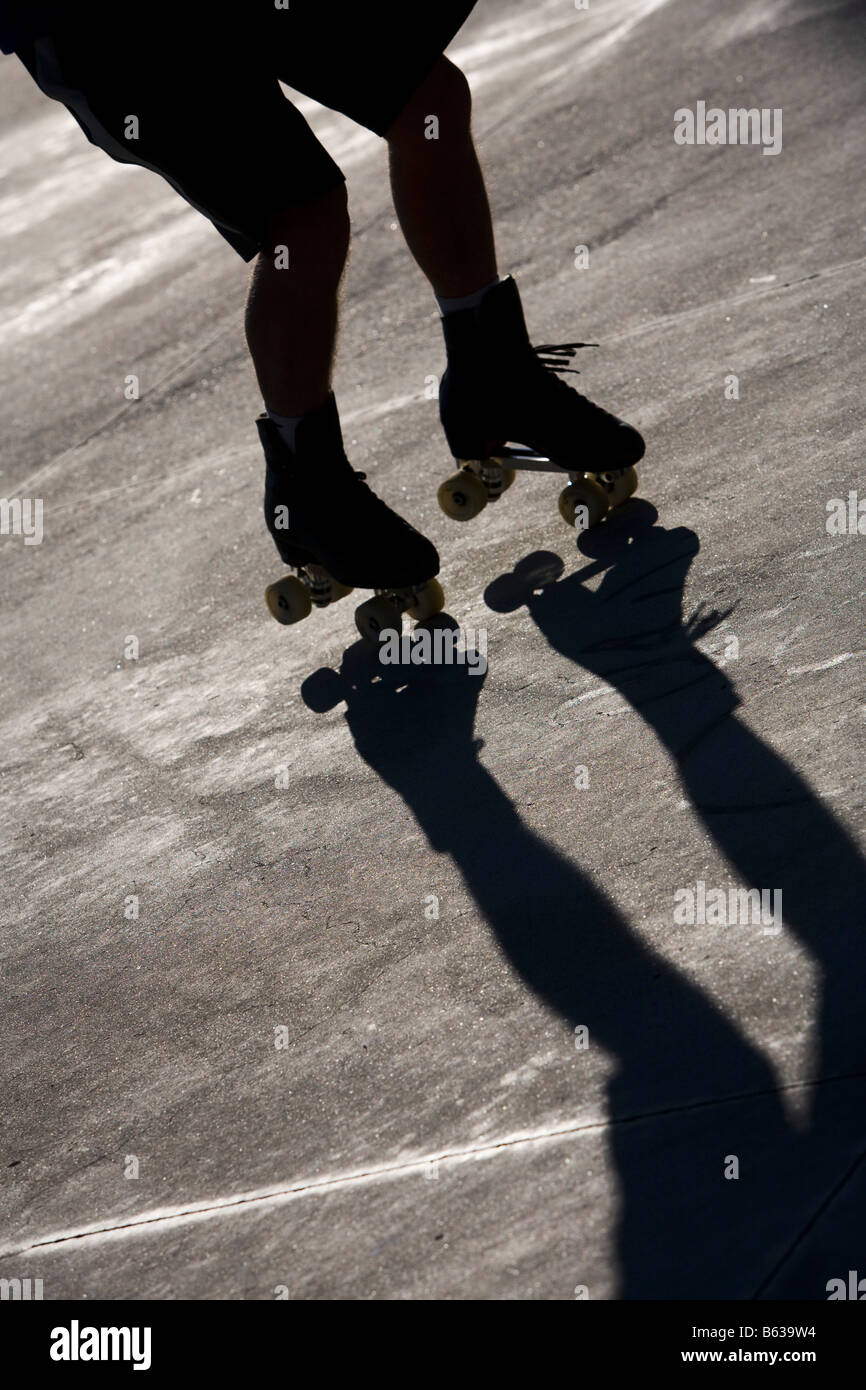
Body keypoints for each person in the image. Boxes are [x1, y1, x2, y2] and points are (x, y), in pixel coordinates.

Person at [2, 2, 644, 598]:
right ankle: (308, 493)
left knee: (426, 100)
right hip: (105, 24)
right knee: (303, 217)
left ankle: (493, 374)